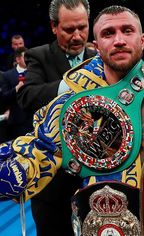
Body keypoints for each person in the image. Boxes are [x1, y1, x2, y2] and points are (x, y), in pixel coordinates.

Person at [0, 5, 144, 236]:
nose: (119, 40)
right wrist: (18, 169)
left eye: (127, 30)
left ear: (142, 40)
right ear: (96, 46)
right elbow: (42, 149)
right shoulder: (72, 103)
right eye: (108, 33)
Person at [16, 0, 96, 235]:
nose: (78, 36)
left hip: (96, 181)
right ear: (54, 26)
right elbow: (27, 97)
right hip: (52, 184)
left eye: (82, 27)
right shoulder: (38, 55)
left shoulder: (101, 58)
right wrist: (71, 85)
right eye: (69, 30)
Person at [0, 47, 33, 141]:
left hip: (34, 119)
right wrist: (16, 89)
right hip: (16, 121)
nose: (28, 60)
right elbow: (4, 97)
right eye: (25, 57)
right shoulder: (7, 75)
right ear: (18, 59)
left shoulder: (35, 72)